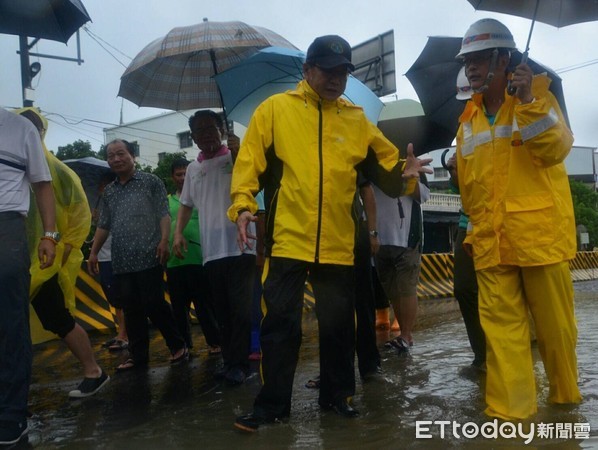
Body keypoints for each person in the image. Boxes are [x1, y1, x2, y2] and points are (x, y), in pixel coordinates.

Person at [228, 35, 432, 432]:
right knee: (280, 326)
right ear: (307, 71)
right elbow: (248, 164)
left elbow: (390, 172)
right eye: (327, 69)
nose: (335, 78)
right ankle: (272, 406)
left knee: (339, 327)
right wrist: (242, 206)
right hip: (288, 239)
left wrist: (405, 176)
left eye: (342, 71)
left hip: (338, 244)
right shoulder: (274, 111)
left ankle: (338, 397)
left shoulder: (356, 120)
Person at [455, 18, 581, 420]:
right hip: (492, 245)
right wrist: (473, 233)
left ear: (503, 59)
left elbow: (555, 149)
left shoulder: (538, 99)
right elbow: (471, 190)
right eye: (467, 61)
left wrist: (527, 102)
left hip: (538, 239)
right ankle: (511, 421)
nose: (471, 68)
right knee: (503, 340)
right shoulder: (468, 121)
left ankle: (565, 406)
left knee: (555, 336)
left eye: (479, 59)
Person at [18, 108, 109, 399]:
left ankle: (94, 371)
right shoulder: (12, 166)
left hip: (45, 262)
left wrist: (63, 248)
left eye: (32, 128)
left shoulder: (57, 170)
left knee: (57, 318)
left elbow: (81, 214)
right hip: (15, 258)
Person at [87, 139, 187, 371]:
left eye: (121, 154)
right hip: (121, 260)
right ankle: (138, 357)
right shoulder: (110, 191)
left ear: (133, 156)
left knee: (154, 303)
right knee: (131, 310)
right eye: (111, 156)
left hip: (149, 253)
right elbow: (104, 225)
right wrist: (93, 252)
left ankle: (178, 345)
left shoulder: (150, 181)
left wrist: (164, 240)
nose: (116, 159)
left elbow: (164, 214)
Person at [173, 111, 255, 386]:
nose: (206, 133)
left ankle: (241, 364)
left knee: (241, 310)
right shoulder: (193, 169)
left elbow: (256, 182)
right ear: (193, 137)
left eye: (211, 127)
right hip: (211, 251)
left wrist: (240, 151)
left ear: (221, 129)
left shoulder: (236, 157)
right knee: (222, 311)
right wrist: (178, 233)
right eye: (199, 130)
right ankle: (231, 361)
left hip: (241, 245)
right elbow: (185, 204)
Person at [0, 107, 56, 445]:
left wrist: (50, 235)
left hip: (6, 226)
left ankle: (11, 415)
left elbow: (42, 184)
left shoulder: (21, 128)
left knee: (10, 324)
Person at [166, 158, 221, 355]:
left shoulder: (200, 198)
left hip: (199, 258)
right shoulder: (167, 201)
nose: (182, 178)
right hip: (174, 262)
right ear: (172, 177)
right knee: (179, 308)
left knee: (205, 305)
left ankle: (215, 342)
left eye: (184, 174)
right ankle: (185, 345)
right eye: (178, 174)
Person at [373, 175, 430, 354]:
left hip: (407, 238)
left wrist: (411, 176)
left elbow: (423, 196)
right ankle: (404, 337)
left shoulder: (412, 163)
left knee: (406, 287)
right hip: (381, 237)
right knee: (392, 289)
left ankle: (406, 335)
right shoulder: (372, 162)